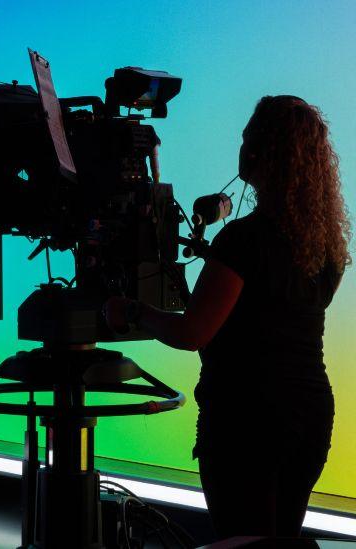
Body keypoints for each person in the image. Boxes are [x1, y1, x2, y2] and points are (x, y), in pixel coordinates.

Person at [103, 95, 351, 539]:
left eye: (245, 138)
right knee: (279, 541)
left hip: (248, 421)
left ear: (257, 154)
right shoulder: (327, 247)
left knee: (242, 541)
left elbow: (192, 332)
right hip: (310, 415)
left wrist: (133, 311)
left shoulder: (243, 241)